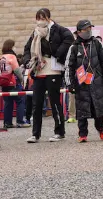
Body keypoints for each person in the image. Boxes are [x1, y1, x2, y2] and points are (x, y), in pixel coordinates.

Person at [22, 8, 74, 143]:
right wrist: (28, 61)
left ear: (49, 17)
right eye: (38, 17)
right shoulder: (35, 32)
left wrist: (57, 53)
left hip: (54, 69)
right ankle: (35, 133)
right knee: (37, 103)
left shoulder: (59, 29)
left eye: (43, 17)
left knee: (55, 101)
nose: (40, 20)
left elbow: (69, 39)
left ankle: (59, 131)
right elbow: (27, 48)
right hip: (39, 69)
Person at [64, 20, 103, 144]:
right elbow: (68, 66)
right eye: (86, 29)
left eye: (90, 28)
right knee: (82, 109)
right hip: (81, 83)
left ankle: (101, 130)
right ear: (79, 31)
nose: (88, 31)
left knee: (98, 108)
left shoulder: (97, 43)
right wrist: (70, 83)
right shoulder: (73, 47)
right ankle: (82, 134)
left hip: (97, 81)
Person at [0, 40, 26, 129]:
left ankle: (7, 122)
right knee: (20, 101)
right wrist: (21, 80)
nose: (15, 48)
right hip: (13, 82)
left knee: (8, 103)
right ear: (11, 47)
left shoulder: (2, 57)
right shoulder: (12, 57)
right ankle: (20, 122)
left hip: (4, 82)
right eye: (14, 46)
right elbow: (17, 70)